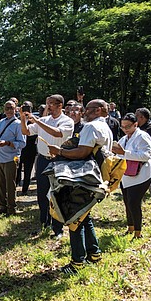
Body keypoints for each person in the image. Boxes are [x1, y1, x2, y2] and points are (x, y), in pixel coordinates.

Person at [46, 99, 114, 274]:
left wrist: (59, 151)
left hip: (84, 179)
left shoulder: (91, 127)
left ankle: (77, 263)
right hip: (97, 178)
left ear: (99, 110)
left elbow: (82, 152)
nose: (85, 112)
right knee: (84, 216)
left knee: (74, 216)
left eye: (89, 109)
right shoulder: (105, 126)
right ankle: (94, 254)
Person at [20, 94, 74, 238]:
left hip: (59, 160)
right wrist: (23, 118)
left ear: (59, 105)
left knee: (57, 194)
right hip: (43, 160)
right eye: (47, 103)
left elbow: (57, 133)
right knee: (42, 194)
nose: (48, 106)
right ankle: (44, 223)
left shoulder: (67, 121)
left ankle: (58, 229)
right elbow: (26, 132)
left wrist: (37, 121)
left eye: (51, 103)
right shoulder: (44, 120)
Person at [112, 113, 151, 239]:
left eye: (128, 126)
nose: (125, 129)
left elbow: (146, 155)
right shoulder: (125, 138)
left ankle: (138, 232)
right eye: (123, 127)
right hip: (126, 174)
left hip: (142, 174)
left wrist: (124, 152)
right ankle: (130, 227)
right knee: (127, 202)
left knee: (133, 202)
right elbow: (118, 152)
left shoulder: (143, 136)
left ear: (136, 124)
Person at [0, 100, 26, 216]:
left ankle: (11, 208)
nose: (9, 110)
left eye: (11, 108)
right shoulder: (1, 122)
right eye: (7, 108)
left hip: (12, 158)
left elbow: (22, 143)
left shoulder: (18, 124)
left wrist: (8, 143)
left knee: (10, 184)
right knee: (0, 183)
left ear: (16, 109)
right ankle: (3, 206)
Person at [16, 101, 38, 195]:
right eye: (24, 106)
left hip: (31, 148)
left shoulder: (35, 119)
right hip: (19, 149)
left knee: (28, 170)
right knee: (17, 168)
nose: (26, 108)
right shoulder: (18, 119)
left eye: (28, 107)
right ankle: (16, 185)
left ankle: (25, 189)